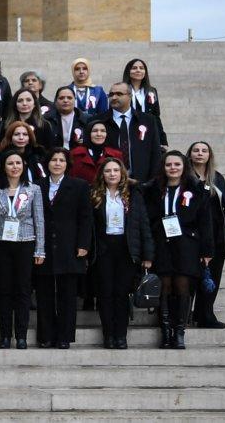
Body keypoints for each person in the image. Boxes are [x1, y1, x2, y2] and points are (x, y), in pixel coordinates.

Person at [147, 150, 212, 349]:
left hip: (187, 244)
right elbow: (147, 219)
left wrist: (206, 250)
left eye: (177, 164)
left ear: (184, 167)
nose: (173, 168)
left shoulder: (196, 189)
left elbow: (205, 220)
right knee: (164, 285)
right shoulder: (153, 189)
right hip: (162, 243)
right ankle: (166, 331)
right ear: (163, 167)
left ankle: (180, 331)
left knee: (183, 285)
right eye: (169, 165)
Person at [89, 158, 153, 349]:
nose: (112, 174)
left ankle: (121, 336)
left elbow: (143, 225)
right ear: (102, 174)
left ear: (122, 173)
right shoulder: (94, 194)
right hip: (103, 249)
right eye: (108, 171)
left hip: (126, 249)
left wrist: (147, 254)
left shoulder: (133, 194)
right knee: (105, 293)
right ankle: (108, 334)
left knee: (121, 293)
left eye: (116, 170)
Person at [35, 148, 92, 349]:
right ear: (47, 163)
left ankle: (64, 336)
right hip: (44, 247)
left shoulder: (79, 186)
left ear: (67, 164)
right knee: (45, 293)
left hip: (70, 246)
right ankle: (46, 335)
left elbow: (85, 218)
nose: (57, 163)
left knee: (67, 295)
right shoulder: (37, 186)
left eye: (61, 160)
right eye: (53, 159)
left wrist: (84, 245)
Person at [0, 150, 46, 348]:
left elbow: (39, 219)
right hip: (0, 241)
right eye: (10, 163)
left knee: (23, 290)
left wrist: (40, 249)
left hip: (25, 242)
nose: (14, 167)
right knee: (4, 290)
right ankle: (5, 335)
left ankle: (21, 335)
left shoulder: (33, 189)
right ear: (4, 166)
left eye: (18, 163)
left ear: (23, 166)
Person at [188, 141, 225, 330]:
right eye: (196, 150)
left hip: (217, 235)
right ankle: (186, 313)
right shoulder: (185, 176)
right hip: (193, 234)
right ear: (190, 154)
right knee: (191, 277)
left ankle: (205, 313)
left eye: (204, 151)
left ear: (209, 155)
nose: (200, 154)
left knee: (213, 277)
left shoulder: (217, 178)